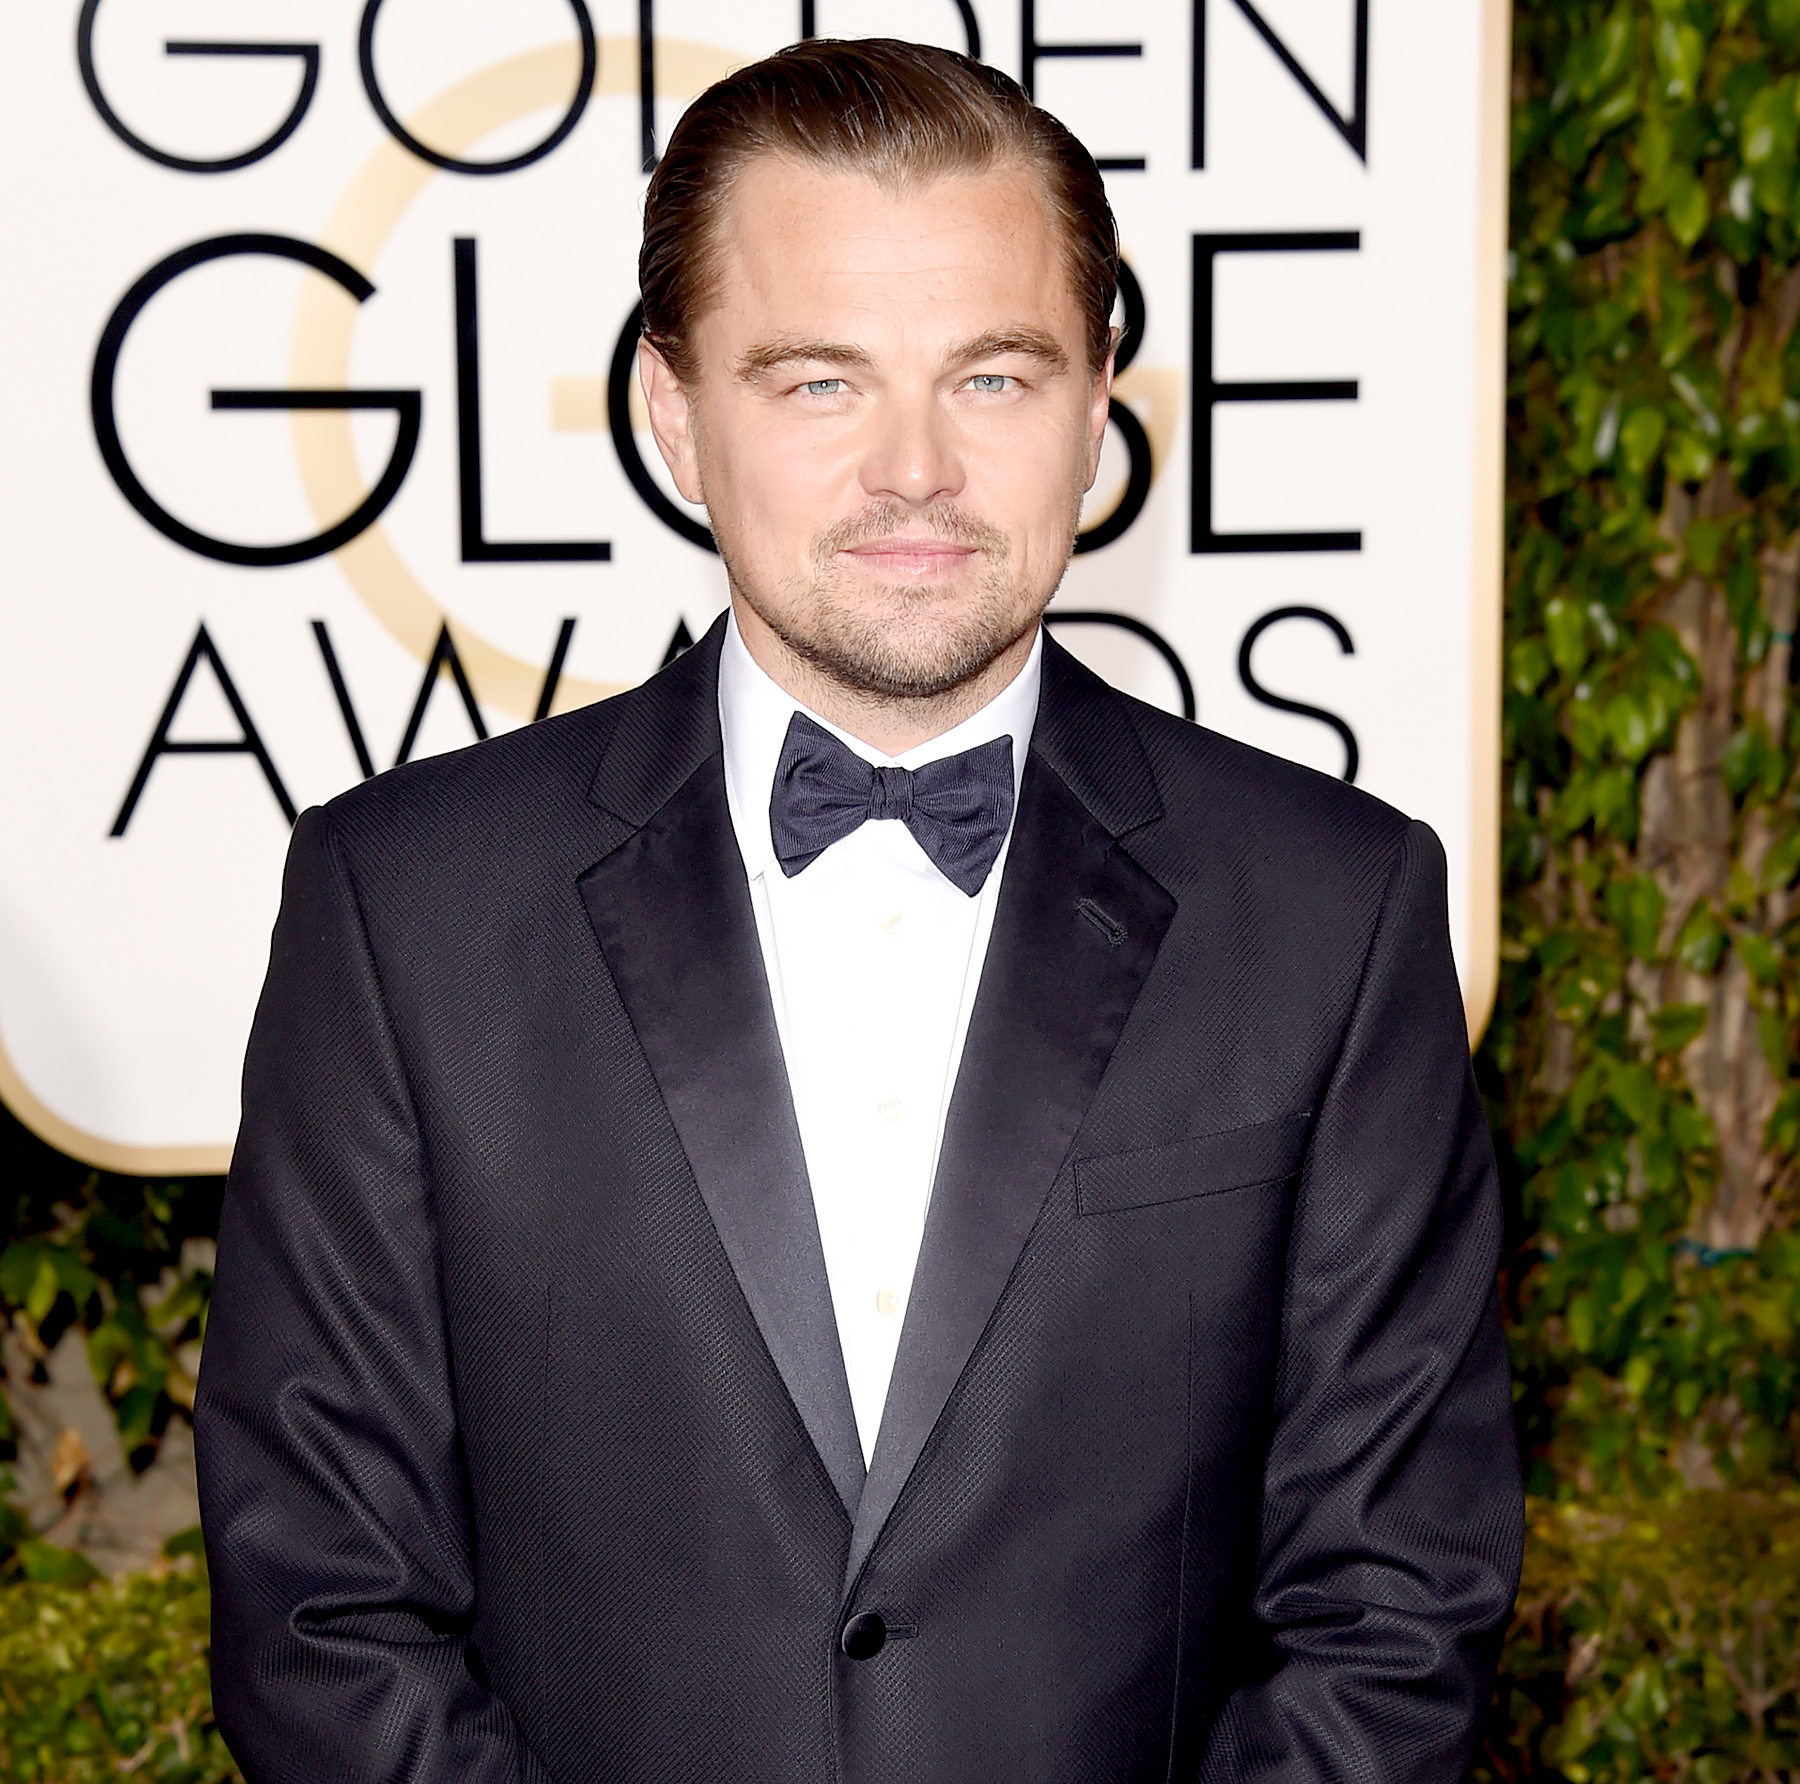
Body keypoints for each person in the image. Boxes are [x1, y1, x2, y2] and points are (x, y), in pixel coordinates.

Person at [194, 37, 1522, 1784]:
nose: (916, 469)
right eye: (821, 382)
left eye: (993, 377)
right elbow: (321, 1601)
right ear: (675, 411)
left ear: (1100, 394)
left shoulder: (1334, 909)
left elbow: (1397, 1602)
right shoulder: (407, 908)